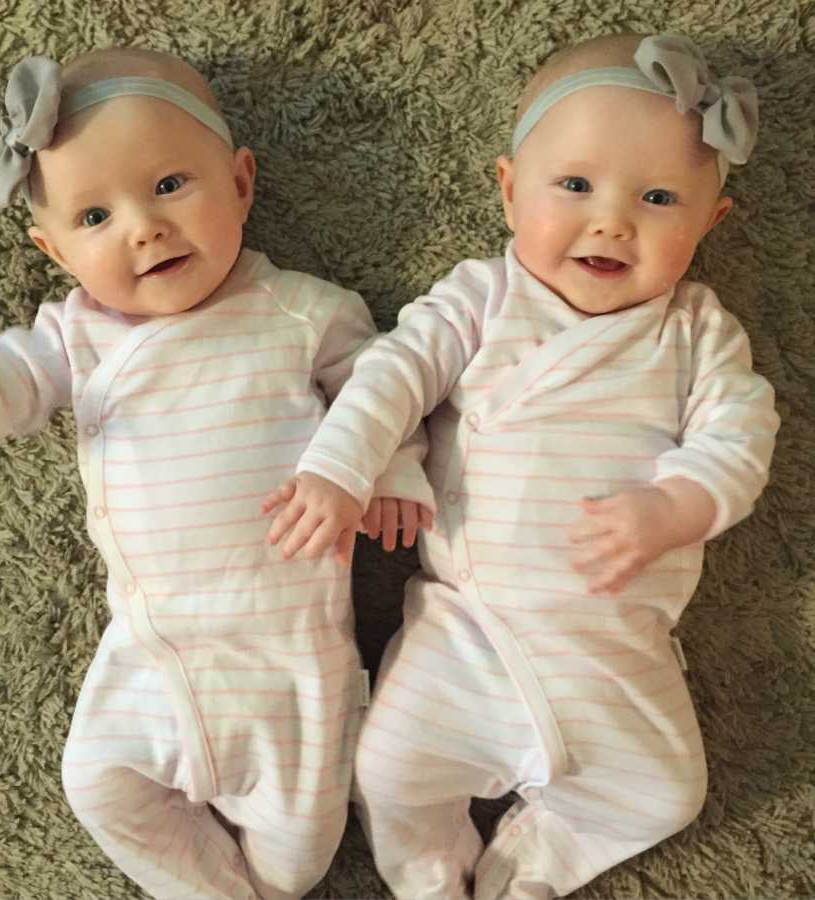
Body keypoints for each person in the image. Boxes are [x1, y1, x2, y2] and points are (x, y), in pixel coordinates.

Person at [264, 32, 780, 899]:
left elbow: (741, 435)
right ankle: (429, 876)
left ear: (709, 221)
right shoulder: (482, 297)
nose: (611, 220)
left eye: (658, 198)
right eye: (574, 186)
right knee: (388, 770)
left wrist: (678, 506)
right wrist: (343, 469)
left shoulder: (695, 331)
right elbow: (393, 374)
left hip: (613, 641)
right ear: (509, 190)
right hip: (469, 629)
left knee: (666, 790)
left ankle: (532, 866)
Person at [0, 47, 434, 900]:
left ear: (240, 182)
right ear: (54, 253)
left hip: (292, 658)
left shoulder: (301, 311)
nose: (143, 228)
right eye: (94, 218)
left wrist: (393, 473)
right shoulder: (77, 340)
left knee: (300, 858)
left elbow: (384, 391)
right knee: (98, 782)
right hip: (152, 654)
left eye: (168, 187)